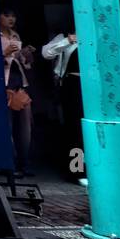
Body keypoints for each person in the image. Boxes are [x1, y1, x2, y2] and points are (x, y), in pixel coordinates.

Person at [42, 26, 82, 182]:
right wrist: (67, 41)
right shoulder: (65, 36)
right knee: (75, 129)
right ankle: (77, 171)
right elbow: (46, 53)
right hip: (73, 84)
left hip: (95, 85)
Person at [0, 7, 35, 176]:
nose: (11, 18)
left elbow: (23, 63)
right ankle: (9, 164)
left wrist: (25, 54)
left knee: (25, 127)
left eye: (13, 15)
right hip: (3, 86)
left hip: (19, 84)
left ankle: (24, 163)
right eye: (7, 14)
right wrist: (3, 53)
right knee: (7, 127)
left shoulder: (15, 35)